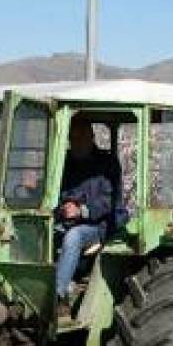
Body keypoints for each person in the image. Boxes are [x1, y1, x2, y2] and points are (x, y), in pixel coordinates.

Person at [55, 119, 122, 319]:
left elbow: (110, 201)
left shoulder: (107, 163)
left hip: (97, 225)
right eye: (73, 137)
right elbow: (55, 193)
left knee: (73, 237)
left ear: (91, 137)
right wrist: (62, 206)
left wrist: (82, 210)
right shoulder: (64, 162)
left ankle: (58, 297)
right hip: (64, 220)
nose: (77, 141)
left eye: (81, 136)